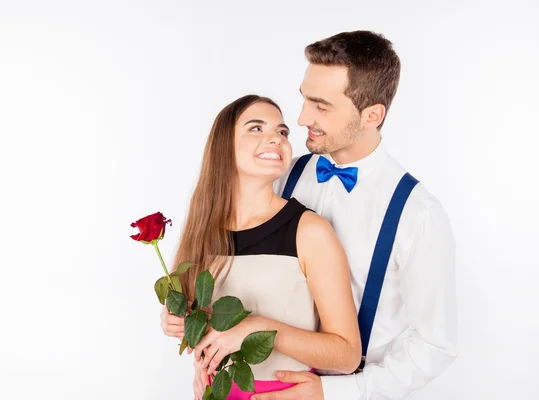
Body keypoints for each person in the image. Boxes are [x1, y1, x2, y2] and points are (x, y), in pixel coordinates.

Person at [252, 30, 458, 400]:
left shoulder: (417, 214)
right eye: (304, 100)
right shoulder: (284, 176)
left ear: (372, 115)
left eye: (321, 106)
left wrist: (337, 392)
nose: (301, 119)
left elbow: (434, 345)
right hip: (269, 380)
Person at [160, 94, 362, 400]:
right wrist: (174, 319)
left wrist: (258, 328)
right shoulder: (202, 231)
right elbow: (198, 323)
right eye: (256, 128)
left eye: (282, 132)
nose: (275, 139)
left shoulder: (309, 231)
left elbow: (347, 355)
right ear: (223, 146)